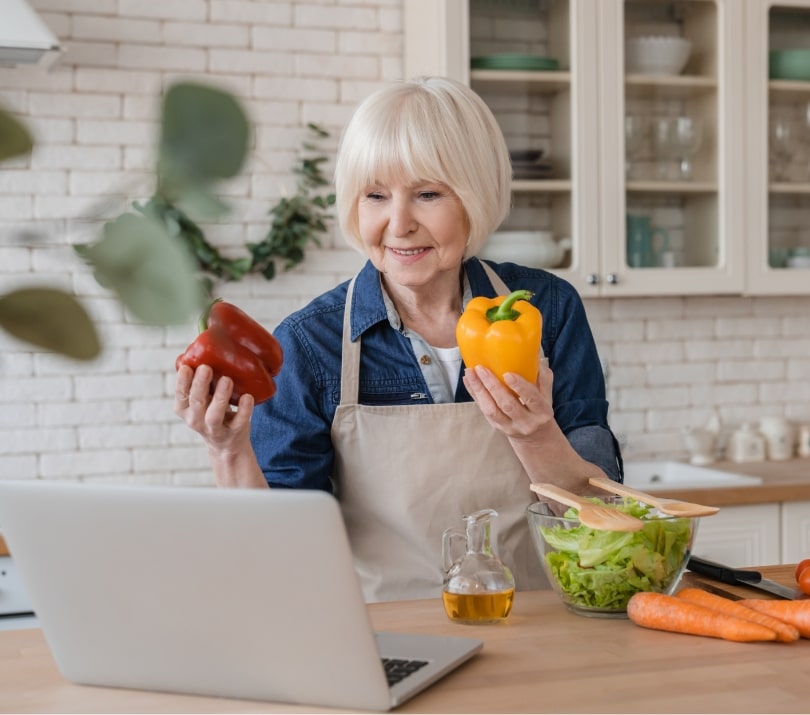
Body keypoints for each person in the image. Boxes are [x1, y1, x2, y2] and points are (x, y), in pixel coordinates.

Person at [174, 76, 621, 602]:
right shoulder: (310, 343)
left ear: (476, 196)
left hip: (539, 630)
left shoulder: (547, 310)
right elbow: (280, 558)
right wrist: (228, 450)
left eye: (428, 194)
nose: (398, 223)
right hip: (385, 642)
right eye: (376, 195)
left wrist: (535, 435)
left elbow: (606, 524)